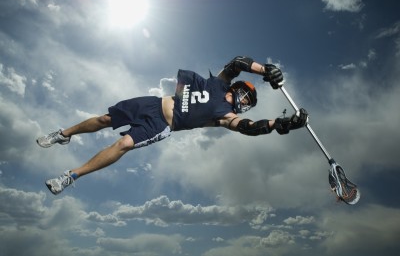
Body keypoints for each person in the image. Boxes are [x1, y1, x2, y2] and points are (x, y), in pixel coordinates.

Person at [37, 56, 308, 195]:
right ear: (236, 87)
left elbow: (250, 127)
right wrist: (266, 70)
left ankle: (71, 175)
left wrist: (282, 123)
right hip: (154, 103)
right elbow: (238, 62)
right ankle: (64, 134)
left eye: (248, 99)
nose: (244, 98)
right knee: (105, 119)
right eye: (245, 92)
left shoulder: (226, 117)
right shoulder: (220, 82)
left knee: (123, 144)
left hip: (162, 124)